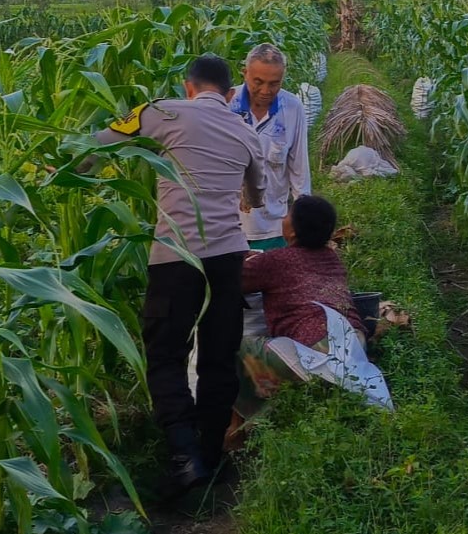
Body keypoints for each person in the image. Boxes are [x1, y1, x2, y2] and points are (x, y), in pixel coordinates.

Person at [87, 55, 265, 493]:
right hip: (227, 260)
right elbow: (256, 195)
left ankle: (183, 456)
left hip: (175, 258)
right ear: (228, 94)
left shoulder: (161, 110)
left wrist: (67, 173)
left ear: (189, 87)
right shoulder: (245, 131)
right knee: (217, 358)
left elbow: (99, 144)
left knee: (166, 354)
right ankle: (210, 453)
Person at [241, 195, 365, 347]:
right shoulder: (331, 258)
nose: (283, 218)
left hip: (318, 346)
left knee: (237, 346)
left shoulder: (275, 261)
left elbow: (230, 279)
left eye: (287, 215)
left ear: (294, 231)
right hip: (355, 340)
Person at [229, 43, 311, 250]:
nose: (266, 91)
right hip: (227, 226)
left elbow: (299, 168)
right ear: (245, 73)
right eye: (258, 82)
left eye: (274, 83)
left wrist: (303, 219)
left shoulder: (292, 108)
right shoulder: (226, 104)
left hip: (273, 227)